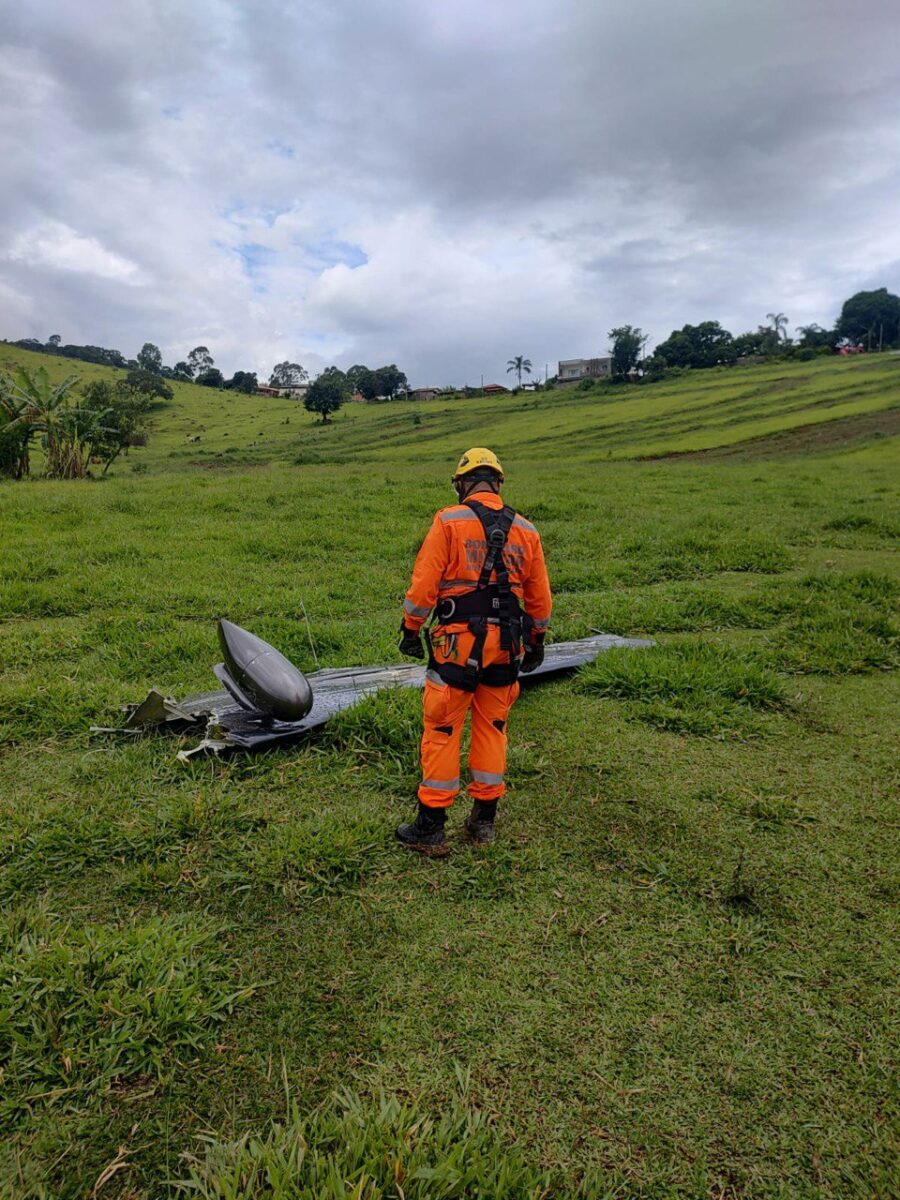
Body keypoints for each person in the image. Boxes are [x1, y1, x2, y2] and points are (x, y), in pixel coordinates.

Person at [396, 447, 552, 855]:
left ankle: (430, 827)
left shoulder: (448, 520)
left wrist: (411, 630)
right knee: (492, 727)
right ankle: (483, 823)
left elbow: (423, 587)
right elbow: (539, 598)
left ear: (462, 484)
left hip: (456, 646)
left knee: (444, 728)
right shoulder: (528, 530)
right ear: (498, 483)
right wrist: (536, 640)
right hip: (506, 648)